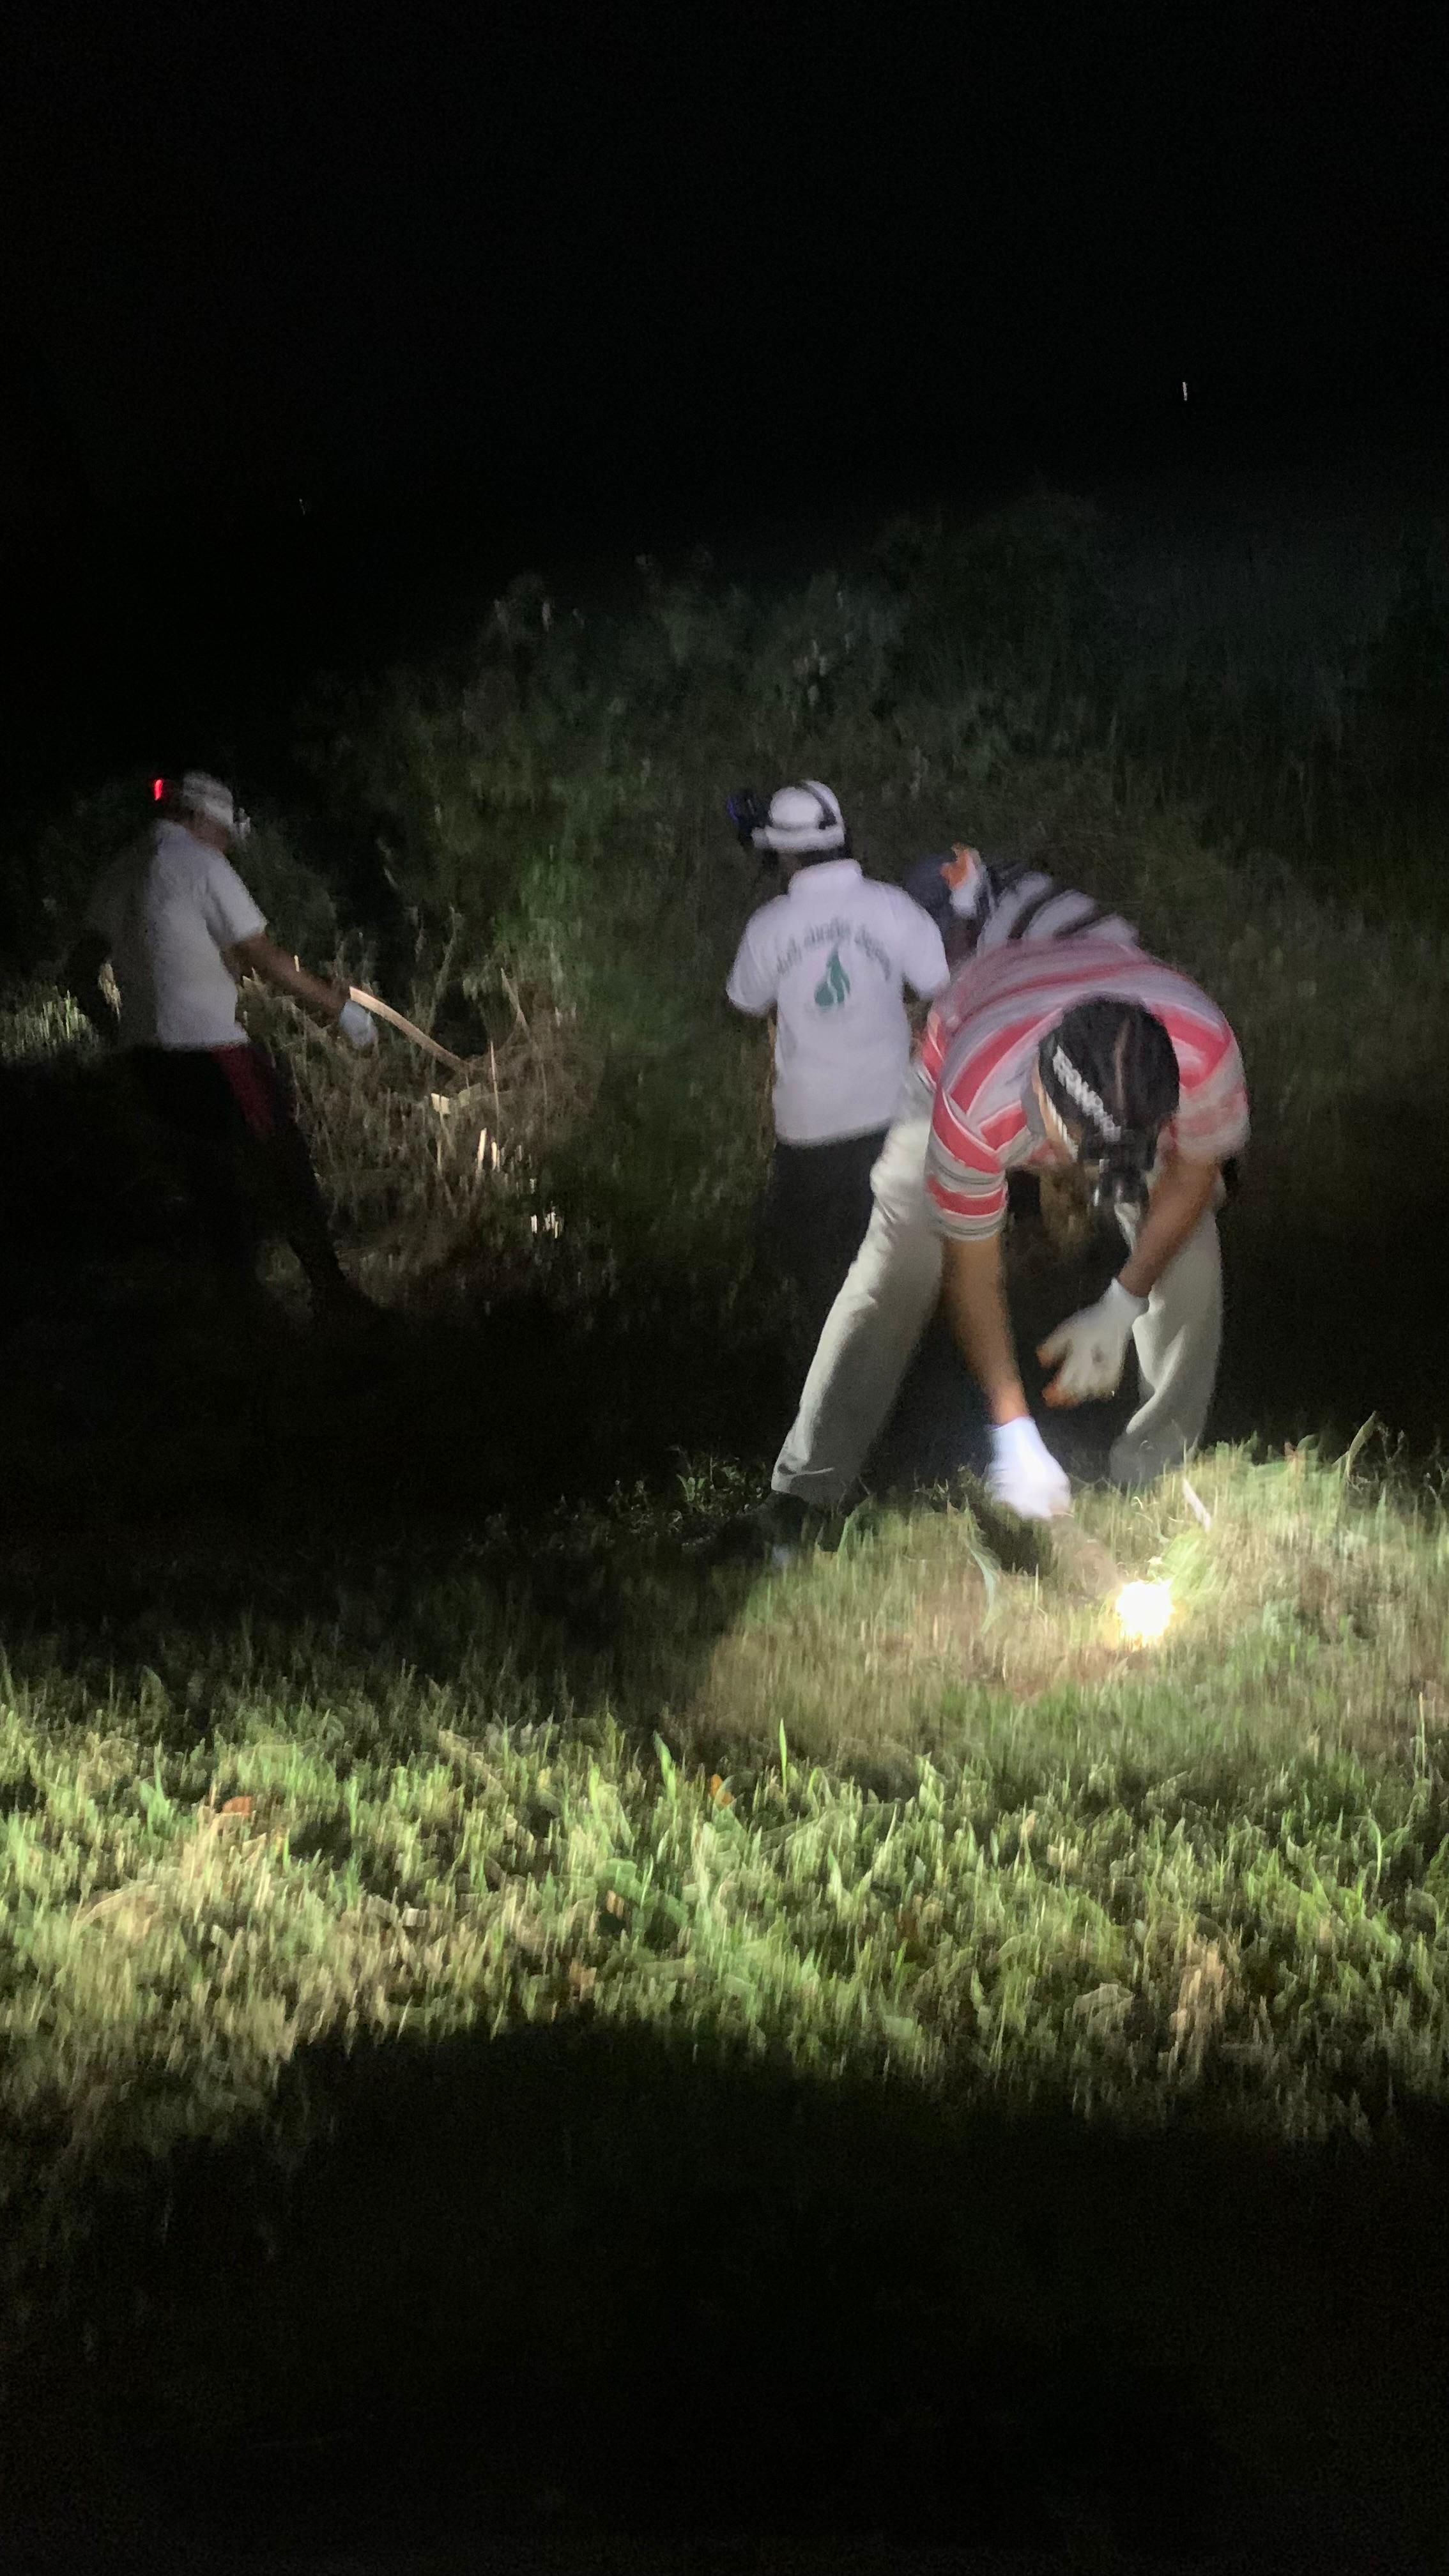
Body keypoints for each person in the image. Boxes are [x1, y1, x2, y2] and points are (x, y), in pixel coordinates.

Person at [769, 930, 1248, 1525]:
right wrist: (1014, 1431)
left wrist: (1122, 1303)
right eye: (1092, 1155)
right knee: (900, 1261)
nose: (1097, 1174)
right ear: (1044, 1099)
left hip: (1117, 1033)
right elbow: (971, 1272)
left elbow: (1194, 1171)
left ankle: (1156, 1475)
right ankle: (805, 1493)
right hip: (969, 1042)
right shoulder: (977, 1097)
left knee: (1189, 1247)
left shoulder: (1200, 1052)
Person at [65, 770, 378, 1318]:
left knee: (209, 1180)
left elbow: (79, 974)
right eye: (225, 832)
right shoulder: (201, 863)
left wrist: (119, 1038)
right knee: (284, 1163)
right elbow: (263, 956)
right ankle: (333, 1297)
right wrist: (338, 1008)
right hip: (212, 1049)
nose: (228, 844)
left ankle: (241, 1310)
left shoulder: (122, 868)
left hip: (150, 1059)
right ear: (202, 819)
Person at [726, 781, 949, 1356]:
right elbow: (941, 984)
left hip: (809, 1134)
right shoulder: (892, 907)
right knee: (904, 1276)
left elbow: (743, 1001)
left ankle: (829, 1386)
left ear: (782, 852)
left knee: (824, 1291)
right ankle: (914, 1381)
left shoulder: (768, 925)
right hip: (893, 1124)